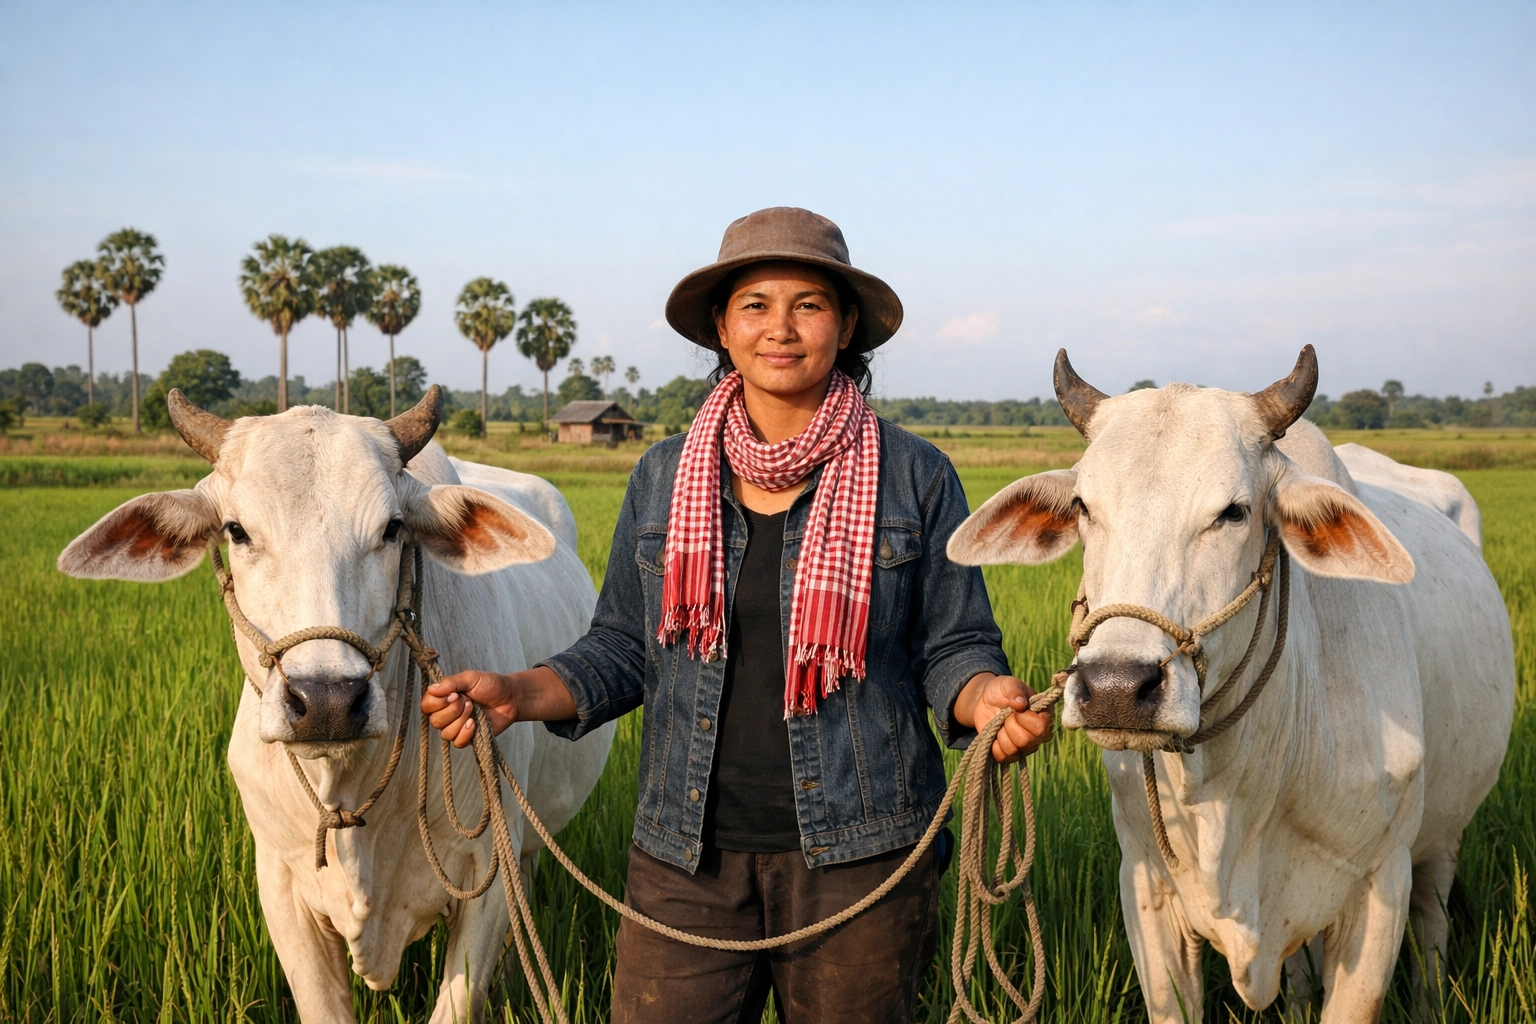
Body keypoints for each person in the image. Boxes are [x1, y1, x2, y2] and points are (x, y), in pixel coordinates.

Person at [421, 207, 1052, 1023]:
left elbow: (953, 645)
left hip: (865, 859)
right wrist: (515, 692)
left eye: (809, 304)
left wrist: (985, 698)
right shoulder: (664, 474)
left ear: (847, 323)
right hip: (685, 862)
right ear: (722, 326)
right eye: (755, 304)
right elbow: (622, 647)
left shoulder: (913, 475)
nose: (780, 329)